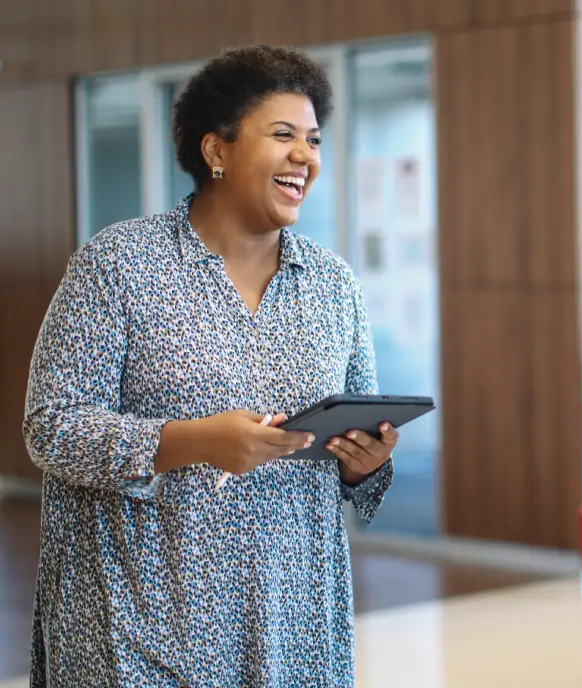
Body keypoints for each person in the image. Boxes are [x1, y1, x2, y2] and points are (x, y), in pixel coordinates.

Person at [23, 45, 396, 687]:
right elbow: (51, 427)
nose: (306, 156)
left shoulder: (334, 284)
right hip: (138, 626)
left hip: (293, 627)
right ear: (215, 151)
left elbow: (360, 450)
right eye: (283, 135)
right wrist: (193, 441)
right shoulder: (119, 266)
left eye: (313, 139)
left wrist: (368, 463)